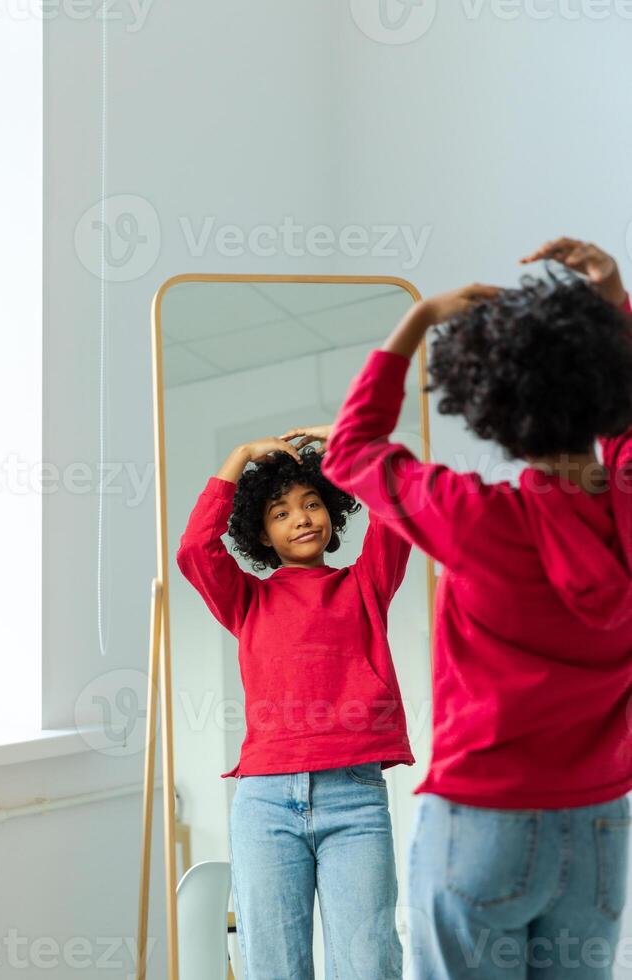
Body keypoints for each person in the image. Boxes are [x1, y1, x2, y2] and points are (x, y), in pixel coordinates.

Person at [321, 237, 632, 979]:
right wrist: (615, 306)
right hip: (598, 826)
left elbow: (350, 448)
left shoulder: (469, 516)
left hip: (479, 823)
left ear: (494, 407)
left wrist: (419, 320)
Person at [176, 429, 415, 978]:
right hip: (264, 803)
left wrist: (353, 439)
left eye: (311, 504)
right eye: (281, 513)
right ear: (261, 533)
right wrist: (237, 458)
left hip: (353, 799)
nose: (302, 518)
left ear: (331, 512)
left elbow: (398, 507)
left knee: (369, 962)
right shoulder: (246, 601)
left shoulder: (366, 585)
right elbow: (194, 550)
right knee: (275, 966)